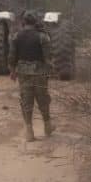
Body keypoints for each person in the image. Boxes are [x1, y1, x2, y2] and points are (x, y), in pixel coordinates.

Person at [8, 10, 55, 141]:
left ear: (23, 22)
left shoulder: (16, 36)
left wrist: (12, 70)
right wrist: (50, 71)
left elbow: (12, 56)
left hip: (23, 73)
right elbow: (48, 58)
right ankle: (47, 126)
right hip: (40, 73)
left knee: (26, 101)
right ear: (36, 21)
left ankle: (29, 131)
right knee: (43, 100)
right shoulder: (42, 37)